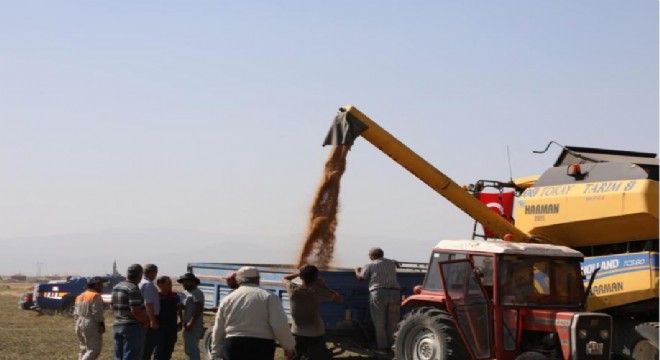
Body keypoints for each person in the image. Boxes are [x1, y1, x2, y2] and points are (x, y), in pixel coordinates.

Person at [210, 266, 295, 360]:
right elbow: (279, 324)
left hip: (233, 344)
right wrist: (288, 346)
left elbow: (218, 327)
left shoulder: (228, 299)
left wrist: (215, 352)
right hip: (261, 346)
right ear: (258, 280)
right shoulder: (269, 297)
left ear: (238, 280)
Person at [283, 265, 343, 360]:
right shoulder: (319, 291)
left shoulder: (293, 289)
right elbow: (339, 299)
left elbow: (285, 278)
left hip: (297, 333)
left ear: (301, 277)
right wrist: (323, 286)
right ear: (316, 277)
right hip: (316, 334)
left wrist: (299, 274)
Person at [355, 247, 401, 354]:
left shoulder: (371, 265)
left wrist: (357, 270)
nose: (370, 257)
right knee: (393, 322)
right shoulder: (391, 263)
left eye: (370, 255)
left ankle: (383, 347)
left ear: (373, 255)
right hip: (395, 293)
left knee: (379, 322)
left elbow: (360, 278)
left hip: (379, 293)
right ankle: (394, 346)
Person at [112, 264, 150, 360]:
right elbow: (136, 311)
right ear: (140, 275)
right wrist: (146, 321)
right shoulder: (133, 289)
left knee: (118, 355)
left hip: (118, 324)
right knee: (132, 356)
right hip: (132, 327)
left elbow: (112, 306)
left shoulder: (116, 287)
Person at [74, 276, 106, 360]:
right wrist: (101, 325)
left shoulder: (80, 296)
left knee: (83, 349)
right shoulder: (95, 296)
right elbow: (97, 313)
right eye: (101, 284)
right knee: (93, 350)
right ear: (96, 285)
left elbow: (75, 314)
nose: (102, 286)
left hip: (79, 322)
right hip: (90, 323)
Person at [177, 272, 205, 360]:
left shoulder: (197, 292)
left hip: (194, 325)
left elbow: (199, 309)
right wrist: (181, 320)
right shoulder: (187, 293)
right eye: (183, 282)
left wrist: (191, 322)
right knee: (188, 349)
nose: (184, 284)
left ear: (193, 282)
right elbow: (187, 308)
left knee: (192, 349)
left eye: (186, 282)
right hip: (188, 324)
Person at [155, 275, 182, 360]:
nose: (171, 286)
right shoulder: (156, 297)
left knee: (169, 350)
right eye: (168, 284)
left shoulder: (174, 296)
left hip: (172, 327)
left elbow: (179, 308)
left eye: (171, 284)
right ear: (160, 285)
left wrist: (180, 319)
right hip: (160, 327)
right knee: (159, 350)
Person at [139, 264, 160, 360]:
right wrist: (152, 320)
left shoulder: (141, 283)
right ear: (151, 273)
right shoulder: (148, 285)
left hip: (145, 316)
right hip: (149, 317)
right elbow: (149, 303)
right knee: (148, 346)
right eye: (155, 272)